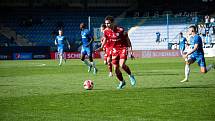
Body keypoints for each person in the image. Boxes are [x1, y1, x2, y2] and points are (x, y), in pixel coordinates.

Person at [101, 16, 136, 89]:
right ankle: (122, 82)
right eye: (106, 23)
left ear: (113, 23)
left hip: (123, 48)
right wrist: (101, 47)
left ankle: (130, 75)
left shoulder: (121, 30)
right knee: (116, 69)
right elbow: (105, 39)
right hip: (114, 50)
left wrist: (131, 52)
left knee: (122, 64)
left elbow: (128, 41)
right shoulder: (106, 31)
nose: (107, 25)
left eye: (108, 23)